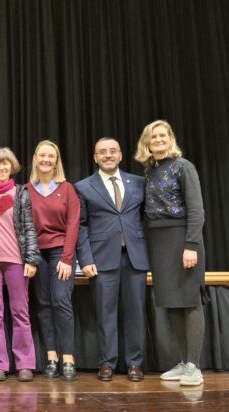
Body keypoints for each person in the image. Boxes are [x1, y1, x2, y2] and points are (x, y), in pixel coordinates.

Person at [135, 120, 206, 386]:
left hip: (182, 238)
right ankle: (184, 361)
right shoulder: (149, 171)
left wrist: (191, 245)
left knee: (189, 301)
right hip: (158, 241)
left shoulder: (183, 166)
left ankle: (194, 367)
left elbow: (196, 210)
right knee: (171, 304)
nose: (158, 140)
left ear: (171, 138)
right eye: (153, 137)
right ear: (147, 142)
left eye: (162, 135)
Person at [75, 138, 149, 382]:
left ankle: (135, 363)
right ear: (95, 158)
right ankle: (107, 362)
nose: (108, 155)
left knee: (135, 312)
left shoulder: (139, 182)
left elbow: (147, 220)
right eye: (102, 152)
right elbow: (81, 226)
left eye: (112, 151)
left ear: (120, 155)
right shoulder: (83, 187)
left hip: (135, 258)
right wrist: (85, 259)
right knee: (105, 313)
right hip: (101, 259)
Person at [0, 148, 41, 382]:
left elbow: (29, 227)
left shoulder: (21, 193)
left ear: (12, 167)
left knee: (20, 312)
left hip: (16, 261)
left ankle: (25, 364)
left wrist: (31, 259)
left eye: (6, 164)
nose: (2, 168)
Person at [27, 140, 80, 381]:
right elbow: (24, 226)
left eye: (51, 156)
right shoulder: (26, 190)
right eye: (42, 155)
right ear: (35, 159)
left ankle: (68, 359)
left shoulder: (67, 189)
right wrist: (30, 257)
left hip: (61, 252)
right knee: (43, 303)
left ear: (56, 161)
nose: (46, 160)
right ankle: (51, 357)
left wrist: (67, 258)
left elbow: (73, 224)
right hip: (37, 253)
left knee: (61, 301)